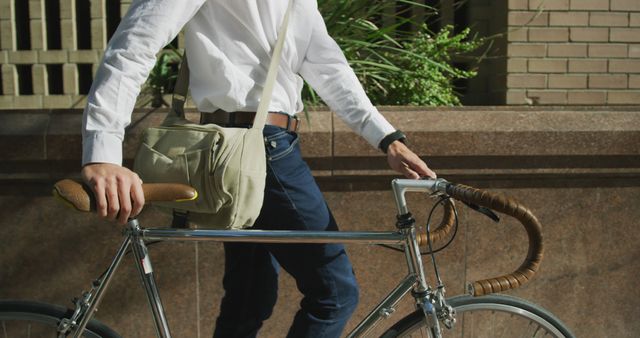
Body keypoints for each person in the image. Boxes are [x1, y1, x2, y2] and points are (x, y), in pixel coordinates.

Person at [81, 0, 436, 336]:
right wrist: (103, 152)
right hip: (255, 149)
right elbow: (135, 42)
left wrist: (387, 138)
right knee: (335, 293)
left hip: (253, 150)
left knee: (250, 296)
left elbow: (328, 66)